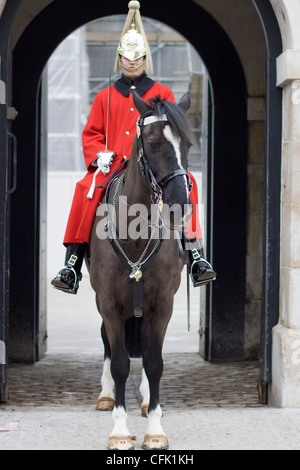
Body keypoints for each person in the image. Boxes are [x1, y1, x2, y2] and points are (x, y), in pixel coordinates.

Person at [51, 1, 216, 294]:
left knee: (188, 184)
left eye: (136, 57)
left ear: (144, 58)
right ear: (119, 58)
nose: (130, 62)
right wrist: (97, 156)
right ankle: (73, 262)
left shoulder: (161, 93)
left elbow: (173, 131)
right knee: (84, 189)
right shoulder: (104, 96)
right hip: (114, 163)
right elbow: (92, 132)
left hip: (155, 162)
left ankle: (194, 254)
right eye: (126, 58)